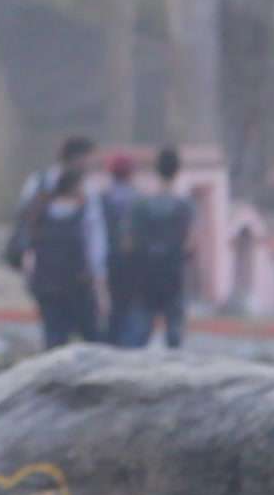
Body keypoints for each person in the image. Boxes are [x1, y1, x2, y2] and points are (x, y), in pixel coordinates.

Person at [122, 147, 196, 349]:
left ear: (156, 169)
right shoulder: (184, 206)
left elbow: (128, 243)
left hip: (146, 274)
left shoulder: (140, 205)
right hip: (173, 274)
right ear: (177, 171)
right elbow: (190, 244)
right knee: (174, 334)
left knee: (139, 332)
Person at [27, 168, 108, 349]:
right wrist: (100, 290)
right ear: (74, 187)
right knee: (91, 338)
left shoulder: (41, 213)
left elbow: (30, 256)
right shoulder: (84, 214)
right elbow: (95, 253)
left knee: (53, 339)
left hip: (47, 286)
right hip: (78, 287)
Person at [99, 154, 142, 347]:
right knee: (130, 309)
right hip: (133, 262)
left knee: (112, 309)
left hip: (109, 260)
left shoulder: (102, 199)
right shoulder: (138, 199)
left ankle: (112, 343)